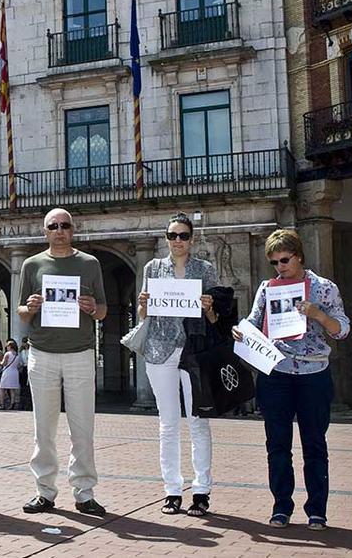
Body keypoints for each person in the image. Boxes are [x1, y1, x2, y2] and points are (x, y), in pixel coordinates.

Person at [233, 229, 350, 531]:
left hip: (314, 374)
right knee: (277, 445)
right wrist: (241, 329)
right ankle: (281, 507)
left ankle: (317, 511)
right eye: (274, 262)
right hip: (277, 374)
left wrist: (318, 315)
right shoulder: (267, 287)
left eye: (284, 260)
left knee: (314, 444)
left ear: (298, 255)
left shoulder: (324, 288)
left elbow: (342, 329)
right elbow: (253, 319)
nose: (280, 267)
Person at [16, 208, 109, 517]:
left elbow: (103, 311)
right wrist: (29, 307)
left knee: (83, 428)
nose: (59, 230)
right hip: (42, 354)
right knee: (43, 429)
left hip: (81, 354)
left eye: (64, 225)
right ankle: (44, 491)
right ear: (45, 231)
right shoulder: (32, 265)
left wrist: (93, 307)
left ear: (73, 229)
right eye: (53, 226)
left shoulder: (90, 264)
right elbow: (20, 312)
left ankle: (84, 493)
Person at [137, 212, 219, 517]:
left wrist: (209, 308)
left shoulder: (205, 269)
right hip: (160, 352)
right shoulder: (153, 268)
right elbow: (144, 316)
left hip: (194, 352)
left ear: (192, 239)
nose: (178, 241)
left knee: (198, 422)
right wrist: (143, 305)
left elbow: (215, 319)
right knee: (168, 423)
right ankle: (172, 490)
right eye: (172, 236)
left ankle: (201, 490)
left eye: (183, 235)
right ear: (166, 239)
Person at [0, 340, 21, 410]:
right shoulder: (17, 354)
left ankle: (2, 404)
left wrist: (0, 362)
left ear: (10, 346)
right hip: (15, 372)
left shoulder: (7, 354)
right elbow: (19, 365)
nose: (6, 347)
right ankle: (12, 403)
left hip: (7, 372)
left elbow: (4, 363)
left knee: (1, 388)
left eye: (7, 346)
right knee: (12, 389)